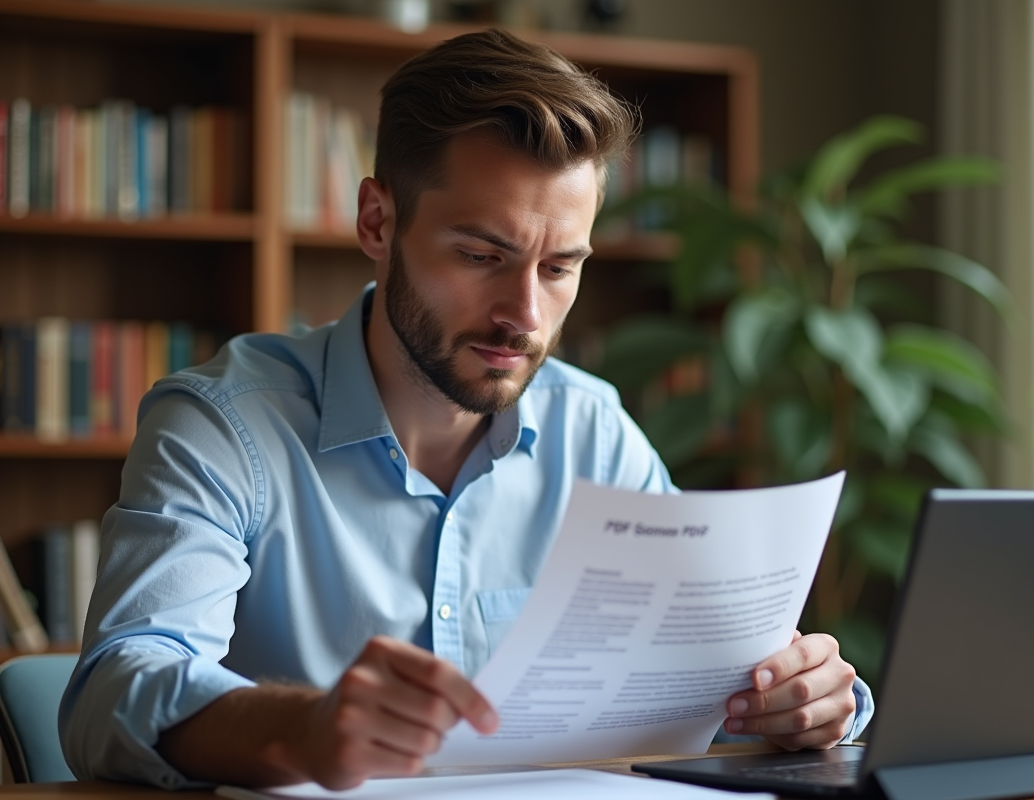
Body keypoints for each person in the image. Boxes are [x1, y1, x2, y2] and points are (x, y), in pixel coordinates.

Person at [59, 29, 873, 789]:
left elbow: (708, 681)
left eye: (559, 267)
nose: (523, 314)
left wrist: (808, 699)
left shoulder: (594, 431)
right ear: (378, 221)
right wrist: (304, 730)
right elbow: (114, 692)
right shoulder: (223, 426)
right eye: (483, 255)